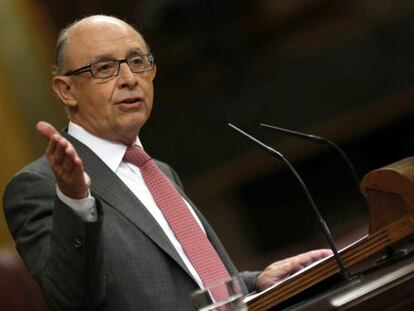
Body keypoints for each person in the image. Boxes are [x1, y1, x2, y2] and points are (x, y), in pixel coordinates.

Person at [3, 15, 331, 311]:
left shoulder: (158, 171)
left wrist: (252, 281)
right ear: (66, 90)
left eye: (137, 61)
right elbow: (71, 299)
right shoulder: (39, 186)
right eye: (104, 68)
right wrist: (75, 201)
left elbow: (182, 284)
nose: (130, 78)